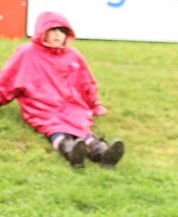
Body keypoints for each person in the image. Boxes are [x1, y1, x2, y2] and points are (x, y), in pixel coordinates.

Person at [0, 11, 124, 169]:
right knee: (53, 127)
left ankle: (101, 151)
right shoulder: (26, 54)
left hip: (72, 105)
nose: (57, 35)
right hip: (41, 105)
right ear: (42, 32)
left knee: (81, 124)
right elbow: (7, 79)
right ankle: (69, 150)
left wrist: (94, 104)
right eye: (52, 30)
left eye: (61, 31)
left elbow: (86, 83)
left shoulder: (74, 56)